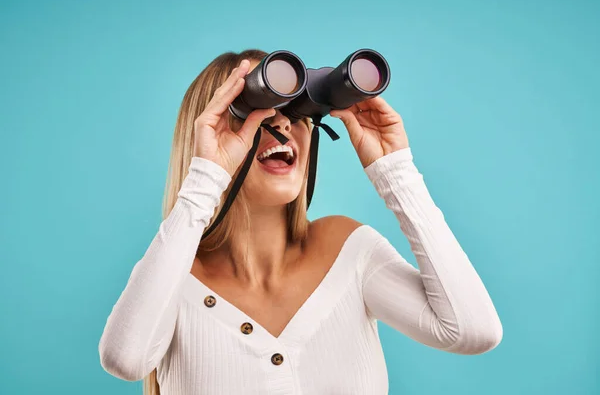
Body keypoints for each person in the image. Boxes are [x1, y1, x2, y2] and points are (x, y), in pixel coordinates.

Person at [98, 49, 503, 395]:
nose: (280, 123)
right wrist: (206, 176)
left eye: (297, 111)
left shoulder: (348, 250)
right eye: (253, 111)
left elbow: (472, 331)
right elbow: (125, 359)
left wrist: (395, 171)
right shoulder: (172, 277)